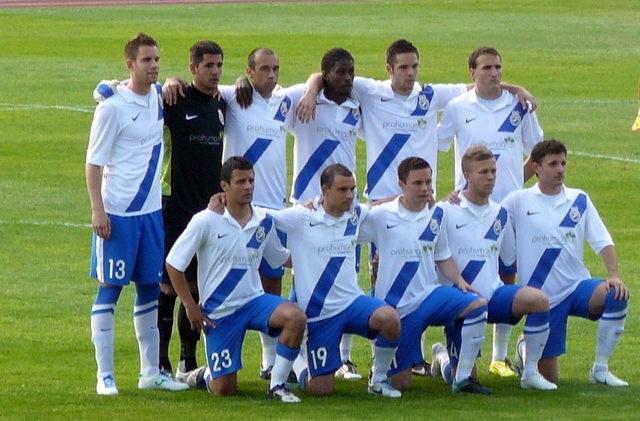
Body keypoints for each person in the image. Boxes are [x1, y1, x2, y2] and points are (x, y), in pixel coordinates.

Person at [298, 39, 534, 375]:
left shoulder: (430, 95)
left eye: (414, 67)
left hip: (422, 203)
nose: (410, 73)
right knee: (365, 274)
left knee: (418, 275)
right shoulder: (370, 91)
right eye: (404, 67)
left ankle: (416, 356)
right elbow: (326, 76)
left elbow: (478, 84)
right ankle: (355, 358)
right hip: (382, 204)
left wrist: (517, 88)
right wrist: (310, 92)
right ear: (389, 69)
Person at [92, 41, 227, 380]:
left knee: (194, 286)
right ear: (193, 68)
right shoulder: (173, 100)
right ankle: (159, 364)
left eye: (219, 65)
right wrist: (110, 86)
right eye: (208, 65)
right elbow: (125, 92)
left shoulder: (222, 103)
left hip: (207, 208)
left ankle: (184, 363)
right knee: (167, 286)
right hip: (172, 207)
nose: (215, 72)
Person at [164, 48, 295, 380]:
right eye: (264, 68)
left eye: (275, 68)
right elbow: (193, 86)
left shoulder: (283, 100)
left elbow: (317, 83)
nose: (271, 74)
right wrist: (171, 80)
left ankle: (268, 361)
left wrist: (311, 89)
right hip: (230, 209)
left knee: (271, 282)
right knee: (200, 284)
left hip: (271, 210)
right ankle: (179, 363)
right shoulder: (232, 97)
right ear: (250, 72)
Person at [86, 32, 188, 395]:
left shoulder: (159, 98)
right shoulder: (111, 107)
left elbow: (175, 83)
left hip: (151, 214)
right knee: (110, 290)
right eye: (146, 60)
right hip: (118, 214)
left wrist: (173, 79)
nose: (154, 65)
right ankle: (105, 375)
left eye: (157, 59)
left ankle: (149, 372)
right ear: (130, 63)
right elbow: (93, 163)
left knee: (149, 290)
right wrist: (98, 210)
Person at [438, 47, 544, 377]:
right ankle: (450, 351)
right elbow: (435, 147)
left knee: (506, 274)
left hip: (509, 210)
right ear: (472, 72)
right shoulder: (458, 107)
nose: (494, 73)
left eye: (498, 67)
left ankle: (499, 356)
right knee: (465, 278)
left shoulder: (519, 105)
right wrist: (439, 194)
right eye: (486, 68)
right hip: (467, 211)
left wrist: (515, 184)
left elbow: (536, 152)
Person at [165, 157, 306, 402]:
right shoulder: (206, 221)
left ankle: (277, 385)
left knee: (296, 317)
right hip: (220, 312)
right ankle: (202, 374)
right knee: (225, 390)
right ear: (225, 186)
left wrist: (317, 256)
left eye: (251, 180)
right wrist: (190, 306)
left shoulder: (263, 220)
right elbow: (173, 264)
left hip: (254, 302)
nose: (248, 186)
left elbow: (280, 258)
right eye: (241, 181)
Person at [266, 164, 403, 398]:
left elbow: (382, 206)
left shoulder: (355, 213)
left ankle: (378, 380)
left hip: (352, 303)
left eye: (352, 189)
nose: (350, 195)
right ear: (325, 190)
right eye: (343, 190)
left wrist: (411, 196)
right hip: (320, 315)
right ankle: (298, 362)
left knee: (390, 319)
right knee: (322, 390)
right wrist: (222, 201)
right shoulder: (301, 216)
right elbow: (262, 216)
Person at [358, 157, 492, 394]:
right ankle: (440, 359)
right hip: (397, 309)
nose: (425, 188)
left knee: (477, 305)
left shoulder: (436, 214)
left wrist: (459, 280)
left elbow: (442, 256)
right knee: (401, 384)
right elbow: (348, 223)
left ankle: (462, 380)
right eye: (417, 183)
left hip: (429, 296)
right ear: (402, 184)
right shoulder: (381, 215)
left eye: (428, 182)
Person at [502, 139, 629, 386]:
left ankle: (600, 369)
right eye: (553, 164)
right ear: (536, 167)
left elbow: (603, 240)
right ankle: (525, 349)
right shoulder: (518, 201)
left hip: (577, 287)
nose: (560, 169)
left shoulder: (579, 199)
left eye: (563, 163)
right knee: (550, 378)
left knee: (616, 294)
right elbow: (487, 216)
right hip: (543, 299)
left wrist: (613, 274)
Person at [435, 146, 556, 390]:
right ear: (467, 175)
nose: (490, 177)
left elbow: (509, 260)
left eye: (493, 171)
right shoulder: (446, 210)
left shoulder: (500, 214)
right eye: (483, 172)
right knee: (462, 376)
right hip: (459, 301)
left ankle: (530, 372)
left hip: (493, 296)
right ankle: (442, 358)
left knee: (539, 300)